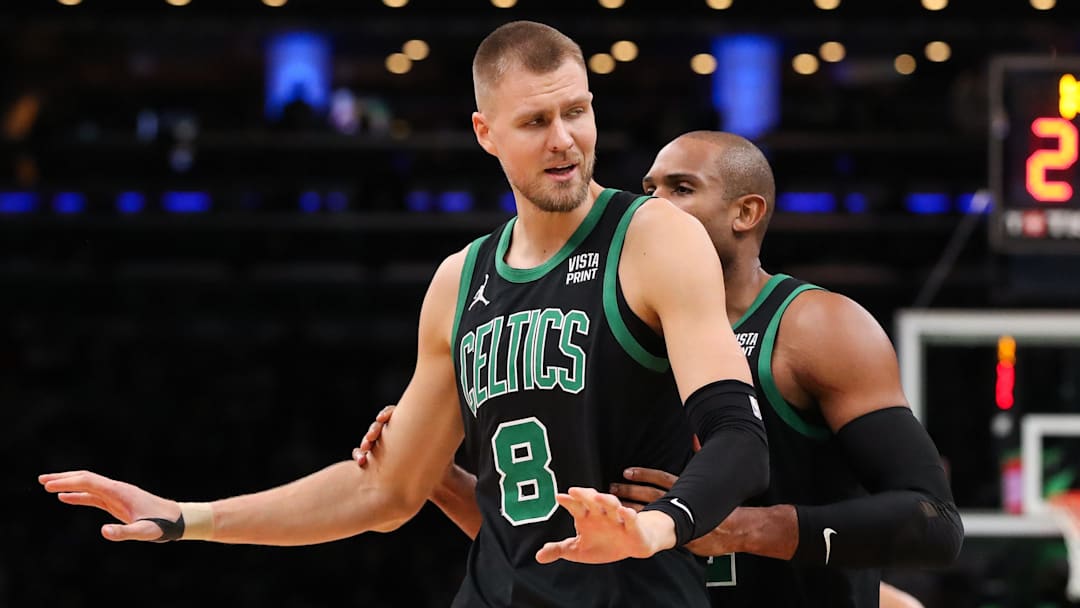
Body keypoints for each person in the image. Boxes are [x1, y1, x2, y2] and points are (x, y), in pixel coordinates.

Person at [39, 22, 769, 608]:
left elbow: (739, 435)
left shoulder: (651, 237)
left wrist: (650, 529)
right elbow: (383, 491)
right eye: (535, 121)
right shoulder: (460, 282)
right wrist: (183, 516)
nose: (563, 140)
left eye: (576, 112)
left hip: (634, 591)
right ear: (486, 133)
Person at [356, 131, 963, 607]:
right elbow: (552, 544)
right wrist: (435, 475)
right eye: (647, 188)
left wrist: (737, 527)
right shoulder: (608, 336)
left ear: (746, 212)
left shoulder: (815, 328)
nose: (651, 205)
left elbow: (933, 523)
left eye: (680, 188)